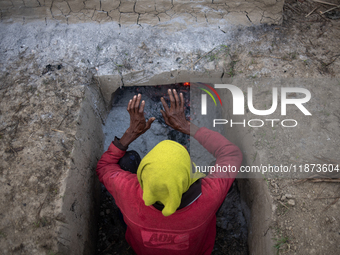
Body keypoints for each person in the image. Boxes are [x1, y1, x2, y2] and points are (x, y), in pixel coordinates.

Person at [96, 89, 242, 255]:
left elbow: (104, 166)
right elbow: (231, 154)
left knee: (126, 160)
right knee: (225, 182)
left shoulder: (126, 190)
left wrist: (130, 133)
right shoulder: (209, 196)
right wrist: (188, 127)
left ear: (143, 175)